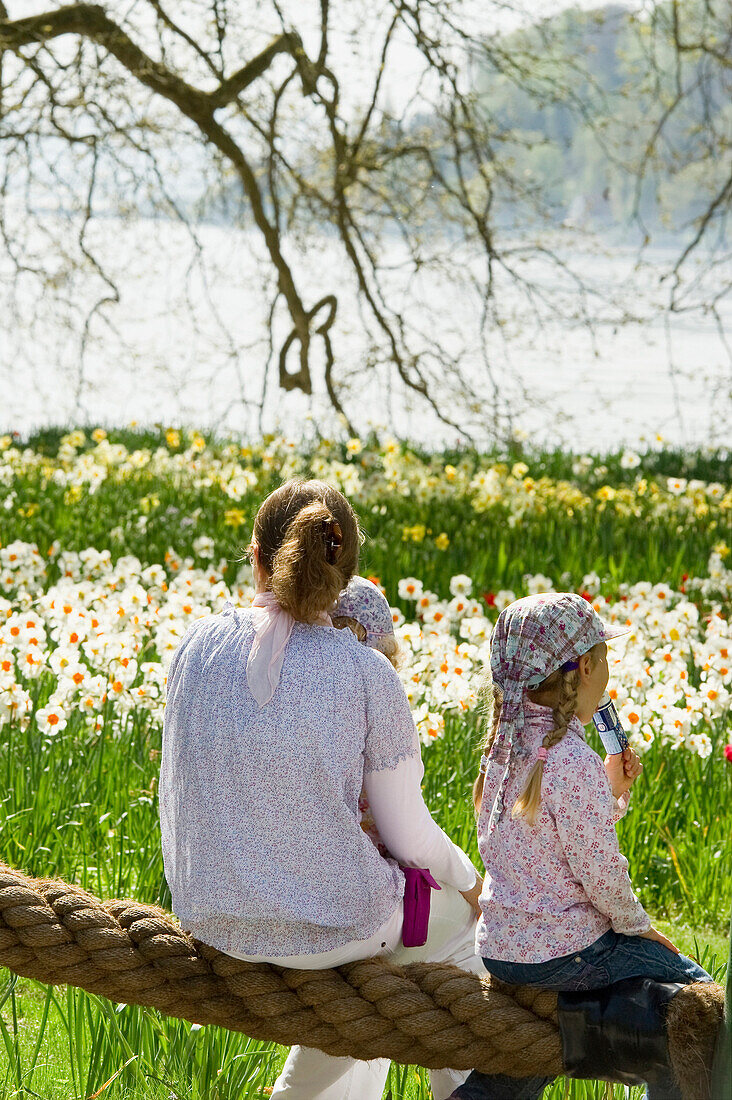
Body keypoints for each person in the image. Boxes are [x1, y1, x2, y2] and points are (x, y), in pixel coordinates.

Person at [159, 480, 484, 1100]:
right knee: (460, 938)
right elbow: (408, 837)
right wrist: (471, 886)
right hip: (333, 928)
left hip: (208, 917)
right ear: (348, 572)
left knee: (373, 972)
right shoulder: (366, 672)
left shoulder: (194, 645)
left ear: (256, 556)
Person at [450, 592, 712, 1100]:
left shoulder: (503, 751)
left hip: (505, 948)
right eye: (606, 662)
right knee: (701, 1007)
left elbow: (545, 843)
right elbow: (601, 872)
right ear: (586, 666)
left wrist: (609, 793)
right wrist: (638, 929)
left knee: (530, 1050)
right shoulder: (570, 759)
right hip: (564, 949)